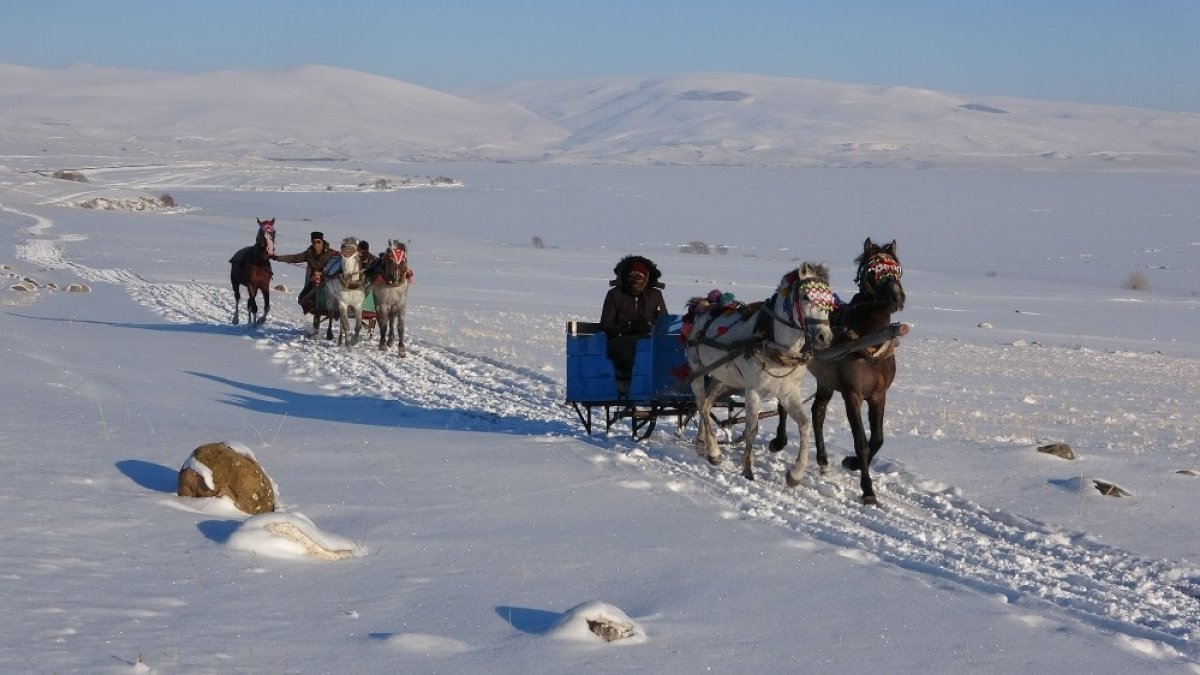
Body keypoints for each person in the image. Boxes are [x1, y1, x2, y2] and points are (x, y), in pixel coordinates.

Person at [600, 255, 667, 394]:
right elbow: (606, 326)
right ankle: (626, 383)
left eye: (639, 275)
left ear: (646, 277)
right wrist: (629, 327)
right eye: (632, 274)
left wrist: (651, 328)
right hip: (619, 341)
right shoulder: (615, 294)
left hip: (649, 338)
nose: (635, 278)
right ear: (625, 276)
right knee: (634, 348)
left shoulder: (655, 295)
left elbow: (664, 322)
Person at [272, 231, 335, 314]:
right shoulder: (308, 253)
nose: (316, 244)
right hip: (314, 280)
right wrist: (278, 258)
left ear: (322, 242)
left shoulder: (331, 253)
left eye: (318, 242)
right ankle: (313, 307)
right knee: (302, 299)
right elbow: (294, 258)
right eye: (314, 242)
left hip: (329, 280)